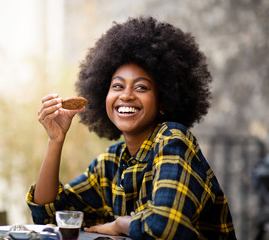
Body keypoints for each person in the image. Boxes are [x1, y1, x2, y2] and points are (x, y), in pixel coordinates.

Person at [26, 16, 237, 239]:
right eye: (117, 86)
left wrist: (122, 224)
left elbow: (165, 228)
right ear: (103, 95)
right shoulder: (110, 163)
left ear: (163, 101)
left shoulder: (173, 140)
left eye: (141, 87)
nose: (126, 95)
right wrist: (55, 140)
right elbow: (50, 218)